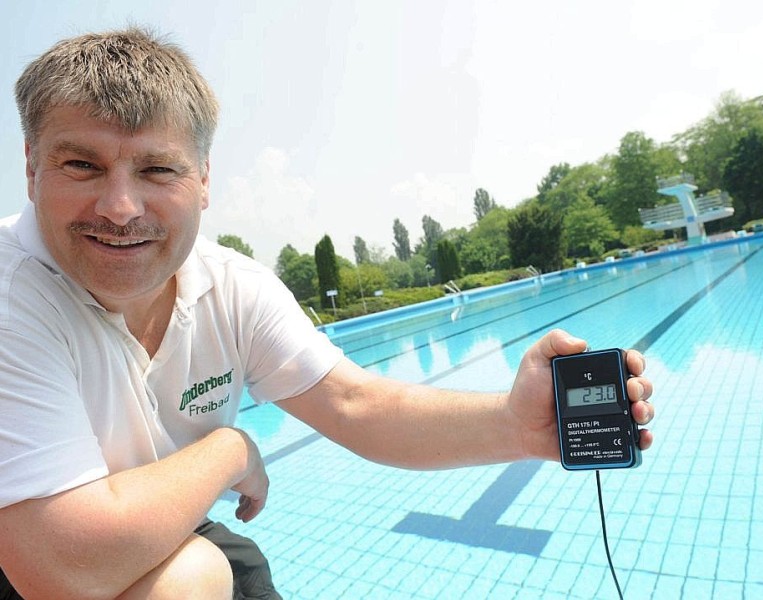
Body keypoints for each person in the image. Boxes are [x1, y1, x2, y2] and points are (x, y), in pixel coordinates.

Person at [0, 27, 655, 600]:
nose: (119, 207)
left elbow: (353, 403)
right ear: (32, 168)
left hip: (154, 520)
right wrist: (231, 449)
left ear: (203, 179)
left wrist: (515, 427)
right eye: (81, 164)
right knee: (190, 579)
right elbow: (65, 569)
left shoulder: (231, 287)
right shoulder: (11, 291)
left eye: (156, 170)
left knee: (226, 571)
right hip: (26, 547)